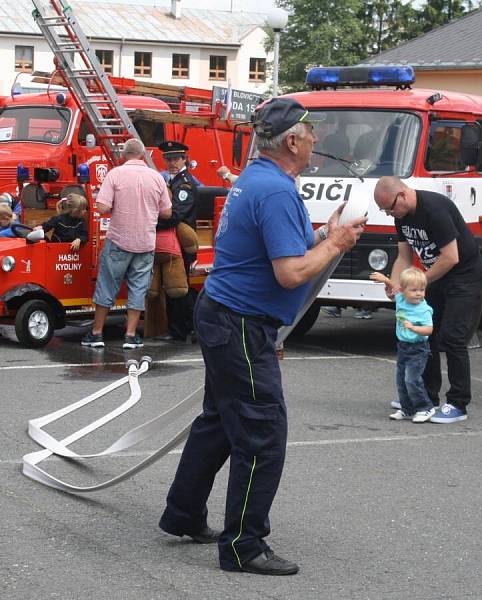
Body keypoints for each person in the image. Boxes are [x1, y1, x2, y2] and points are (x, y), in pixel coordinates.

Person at [159, 98, 366, 576]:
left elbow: (282, 250)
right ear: (291, 141)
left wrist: (320, 236)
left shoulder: (260, 181)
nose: (316, 139)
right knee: (261, 432)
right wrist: (334, 244)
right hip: (240, 324)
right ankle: (243, 547)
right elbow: (290, 273)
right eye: (310, 131)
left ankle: (183, 513)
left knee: (218, 421)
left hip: (226, 315)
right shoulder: (274, 191)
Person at [373, 176, 482, 424]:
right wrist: (396, 284)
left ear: (402, 195)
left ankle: (458, 403)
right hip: (434, 277)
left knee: (452, 337)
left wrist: (419, 282)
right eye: (385, 211)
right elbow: (404, 256)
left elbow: (451, 257)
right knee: (426, 334)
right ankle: (426, 397)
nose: (390, 214)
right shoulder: (401, 217)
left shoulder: (434, 209)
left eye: (390, 208)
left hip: (464, 276)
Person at [81, 138, 171, 350]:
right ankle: (130, 335)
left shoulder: (115, 174)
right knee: (138, 288)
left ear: (123, 155)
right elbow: (167, 212)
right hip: (145, 243)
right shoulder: (156, 178)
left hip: (119, 240)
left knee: (107, 285)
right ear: (142, 155)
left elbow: (102, 207)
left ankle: (96, 333)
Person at [371, 268, 435, 422]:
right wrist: (385, 280)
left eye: (422, 289)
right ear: (403, 290)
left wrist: (414, 328)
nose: (419, 293)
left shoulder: (423, 309)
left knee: (411, 380)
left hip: (418, 348)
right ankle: (407, 409)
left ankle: (426, 408)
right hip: (403, 347)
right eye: (414, 290)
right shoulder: (401, 299)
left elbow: (429, 329)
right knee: (401, 380)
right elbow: (394, 288)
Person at [155, 141, 199, 342]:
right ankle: (185, 326)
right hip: (170, 240)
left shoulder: (185, 184)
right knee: (174, 288)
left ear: (184, 159)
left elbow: (177, 215)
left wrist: (151, 225)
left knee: (178, 289)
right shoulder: (172, 181)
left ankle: (180, 330)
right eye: (168, 159)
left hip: (181, 242)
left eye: (175, 159)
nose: (171, 163)